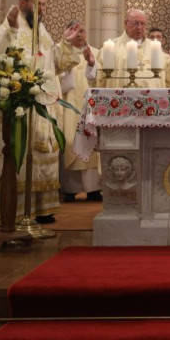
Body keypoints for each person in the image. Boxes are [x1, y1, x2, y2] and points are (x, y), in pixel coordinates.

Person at [0, 0, 82, 225]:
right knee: (20, 154)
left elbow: (55, 63)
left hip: (43, 104)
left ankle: (41, 209)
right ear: (22, 3)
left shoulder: (42, 31)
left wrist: (65, 44)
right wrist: (11, 28)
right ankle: (14, 211)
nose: (41, 9)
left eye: (44, 5)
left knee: (43, 154)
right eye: (37, 4)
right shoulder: (9, 26)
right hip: (19, 104)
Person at [55, 20, 101, 203]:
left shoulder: (96, 52)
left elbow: (100, 79)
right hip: (69, 105)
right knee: (70, 141)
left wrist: (91, 63)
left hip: (90, 106)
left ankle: (93, 189)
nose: (80, 34)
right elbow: (57, 79)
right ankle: (70, 188)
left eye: (82, 30)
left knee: (92, 142)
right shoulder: (62, 54)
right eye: (75, 31)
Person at [90, 9, 170, 88]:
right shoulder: (111, 48)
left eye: (142, 24)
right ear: (126, 23)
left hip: (152, 99)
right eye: (135, 23)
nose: (139, 27)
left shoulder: (155, 48)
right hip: (121, 99)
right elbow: (99, 79)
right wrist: (91, 65)